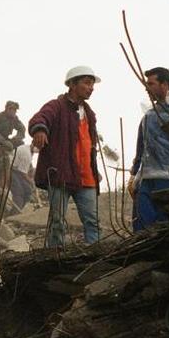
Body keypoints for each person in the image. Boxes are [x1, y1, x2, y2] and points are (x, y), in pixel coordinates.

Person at [28, 65, 101, 247]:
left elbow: (88, 145)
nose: (91, 88)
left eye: (92, 84)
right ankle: (54, 258)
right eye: (86, 83)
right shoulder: (57, 106)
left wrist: (95, 169)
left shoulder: (89, 113)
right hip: (62, 174)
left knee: (92, 222)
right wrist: (40, 130)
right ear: (72, 84)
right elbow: (40, 118)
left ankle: (96, 258)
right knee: (57, 222)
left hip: (87, 177)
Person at [129, 67, 169, 231]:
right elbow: (141, 148)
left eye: (151, 84)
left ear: (165, 85)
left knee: (163, 226)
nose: (147, 88)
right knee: (141, 225)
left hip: (167, 177)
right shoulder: (148, 116)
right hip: (146, 178)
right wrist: (134, 175)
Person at [11, 142, 36, 210]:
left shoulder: (28, 150)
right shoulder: (26, 153)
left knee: (28, 191)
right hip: (11, 170)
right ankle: (14, 213)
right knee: (19, 192)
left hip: (18, 171)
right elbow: (23, 173)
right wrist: (31, 182)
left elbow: (27, 167)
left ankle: (18, 209)